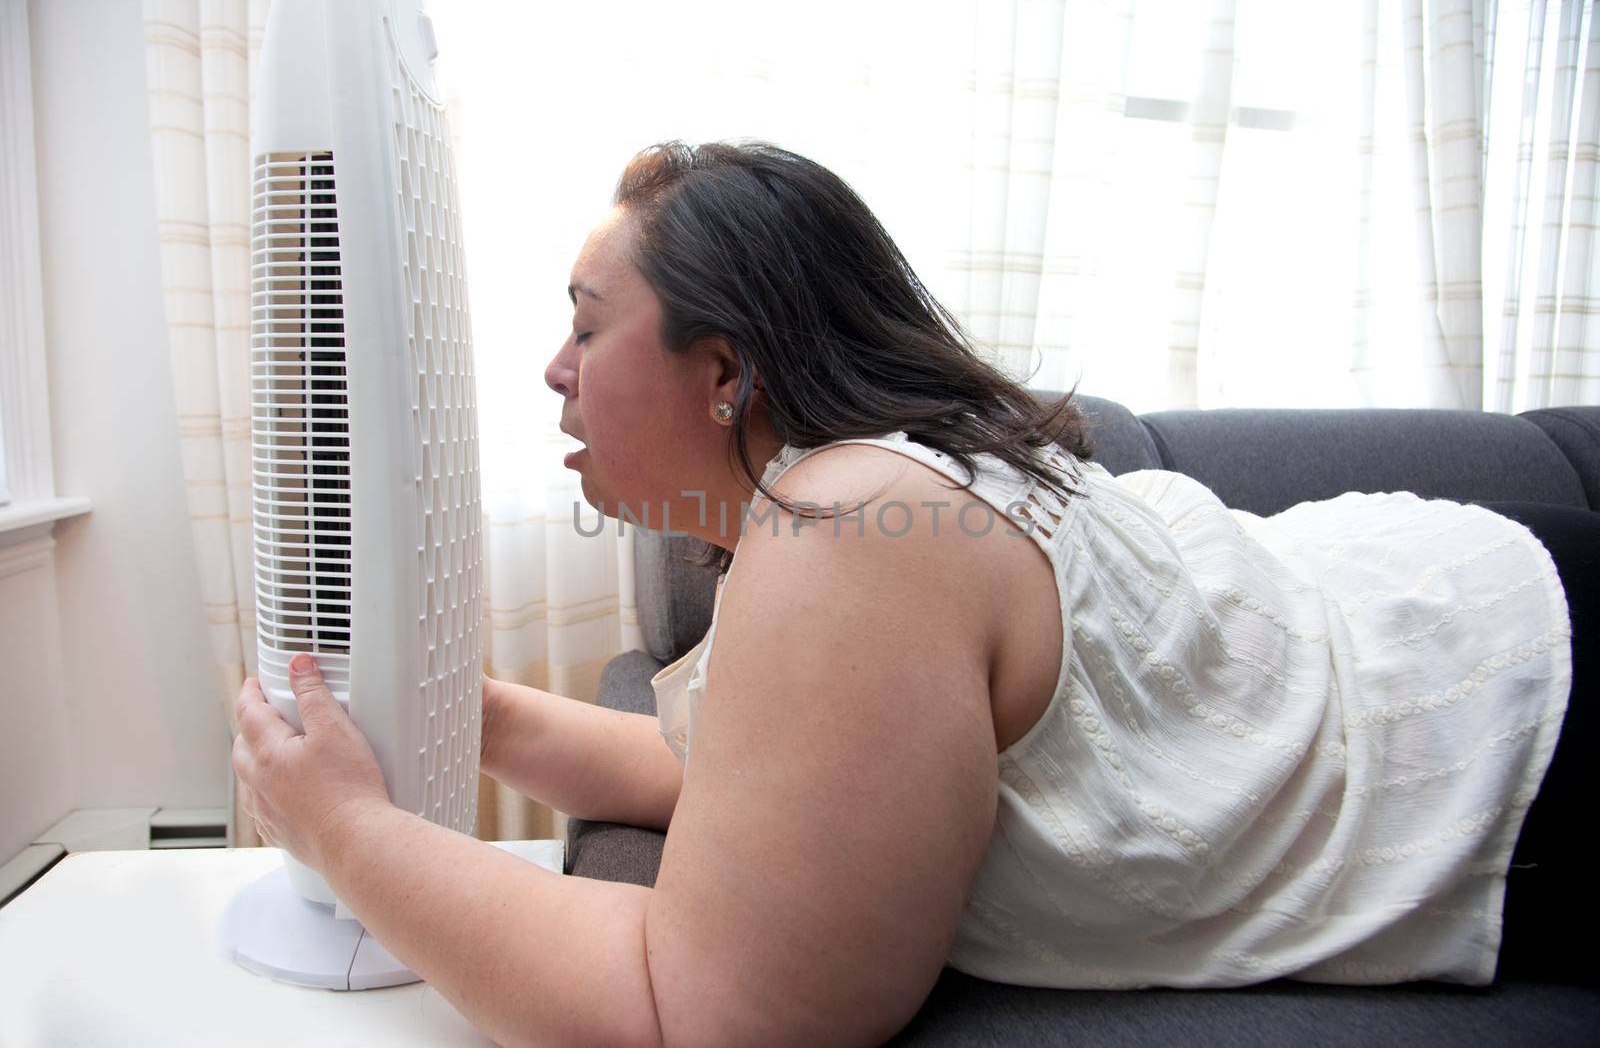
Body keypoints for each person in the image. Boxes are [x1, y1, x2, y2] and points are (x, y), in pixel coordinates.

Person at [232, 140, 1589, 1048]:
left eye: (589, 325)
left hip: (1509, 702)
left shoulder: (845, 534)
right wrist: (462, 715)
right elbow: (727, 774)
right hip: (1452, 588)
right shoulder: (843, 506)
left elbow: (700, 1010)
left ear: (725, 371)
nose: (554, 370)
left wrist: (347, 830)